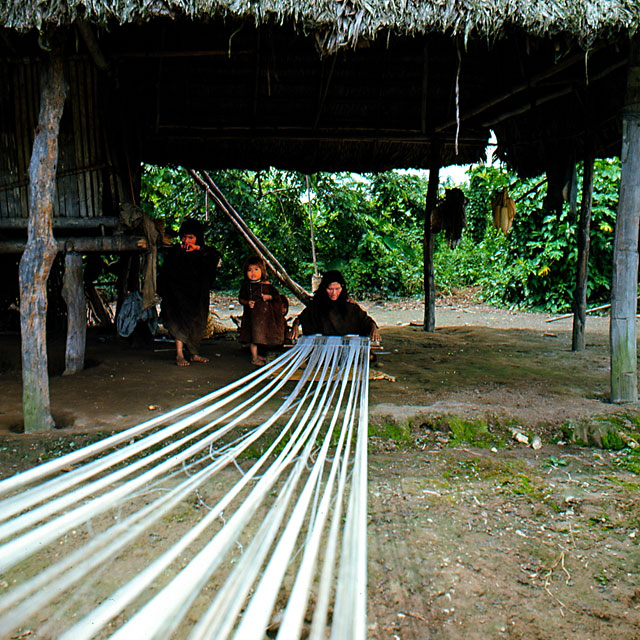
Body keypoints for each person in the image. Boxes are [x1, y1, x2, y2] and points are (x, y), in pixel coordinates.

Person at [158, 218, 221, 366]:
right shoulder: (176, 252)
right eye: (184, 237)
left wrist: (198, 250)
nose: (187, 241)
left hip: (197, 297)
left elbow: (215, 258)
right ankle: (179, 354)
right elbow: (166, 274)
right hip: (178, 296)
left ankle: (193, 353)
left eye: (191, 238)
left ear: (198, 238)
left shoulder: (204, 252)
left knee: (196, 323)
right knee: (179, 322)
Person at [293, 270, 380, 341]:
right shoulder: (316, 306)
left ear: (342, 288)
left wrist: (374, 329)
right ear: (324, 288)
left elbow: (367, 321)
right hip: (322, 348)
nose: (334, 293)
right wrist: (295, 326)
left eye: (337, 289)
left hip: (345, 348)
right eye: (330, 289)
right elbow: (301, 318)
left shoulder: (350, 306)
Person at [238, 255, 288, 365]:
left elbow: (277, 297)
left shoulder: (267, 286)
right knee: (253, 338)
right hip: (252, 318)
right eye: (249, 270)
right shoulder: (247, 286)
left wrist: (268, 297)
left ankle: (259, 355)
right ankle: (254, 358)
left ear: (262, 270)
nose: (253, 273)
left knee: (262, 336)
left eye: (256, 269)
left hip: (264, 318)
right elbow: (241, 299)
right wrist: (247, 302)